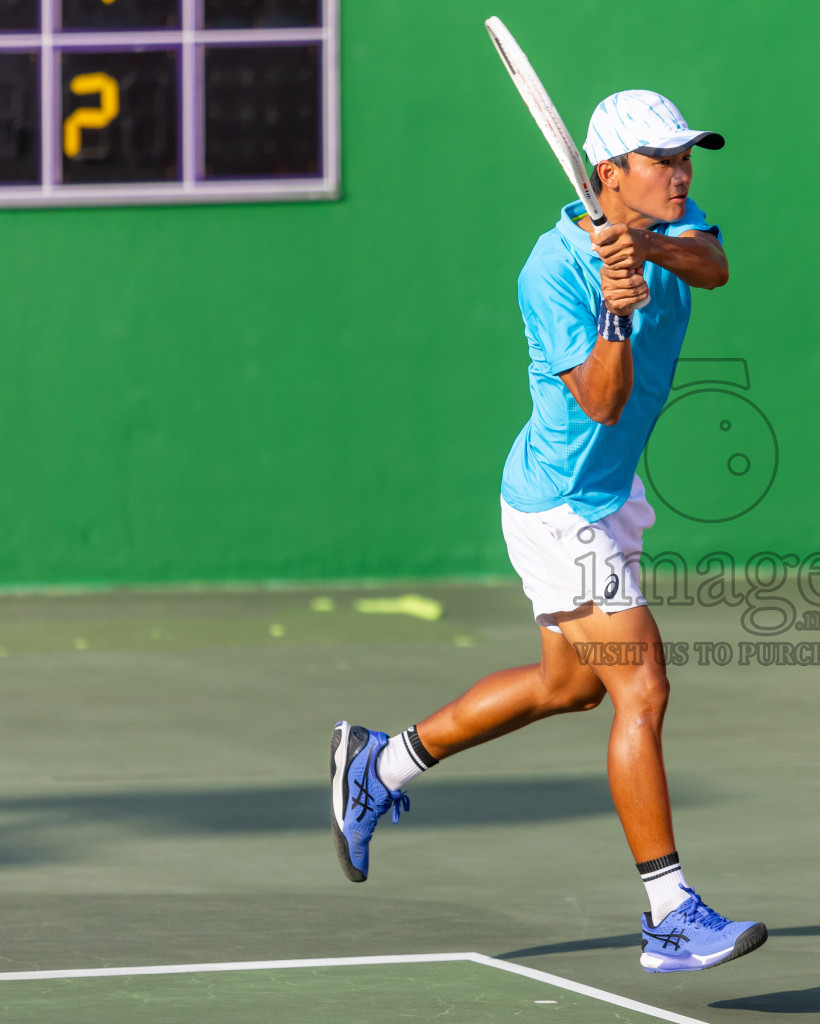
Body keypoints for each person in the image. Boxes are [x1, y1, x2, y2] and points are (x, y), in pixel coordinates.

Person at [329, 90, 766, 974]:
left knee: (570, 688)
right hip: (563, 502)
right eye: (662, 160)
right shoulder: (552, 269)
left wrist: (640, 247)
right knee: (641, 689)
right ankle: (669, 913)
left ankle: (380, 767)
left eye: (687, 157)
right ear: (610, 174)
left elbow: (715, 267)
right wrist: (614, 302)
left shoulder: (666, 223)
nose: (682, 173)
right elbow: (600, 398)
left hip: (607, 492)